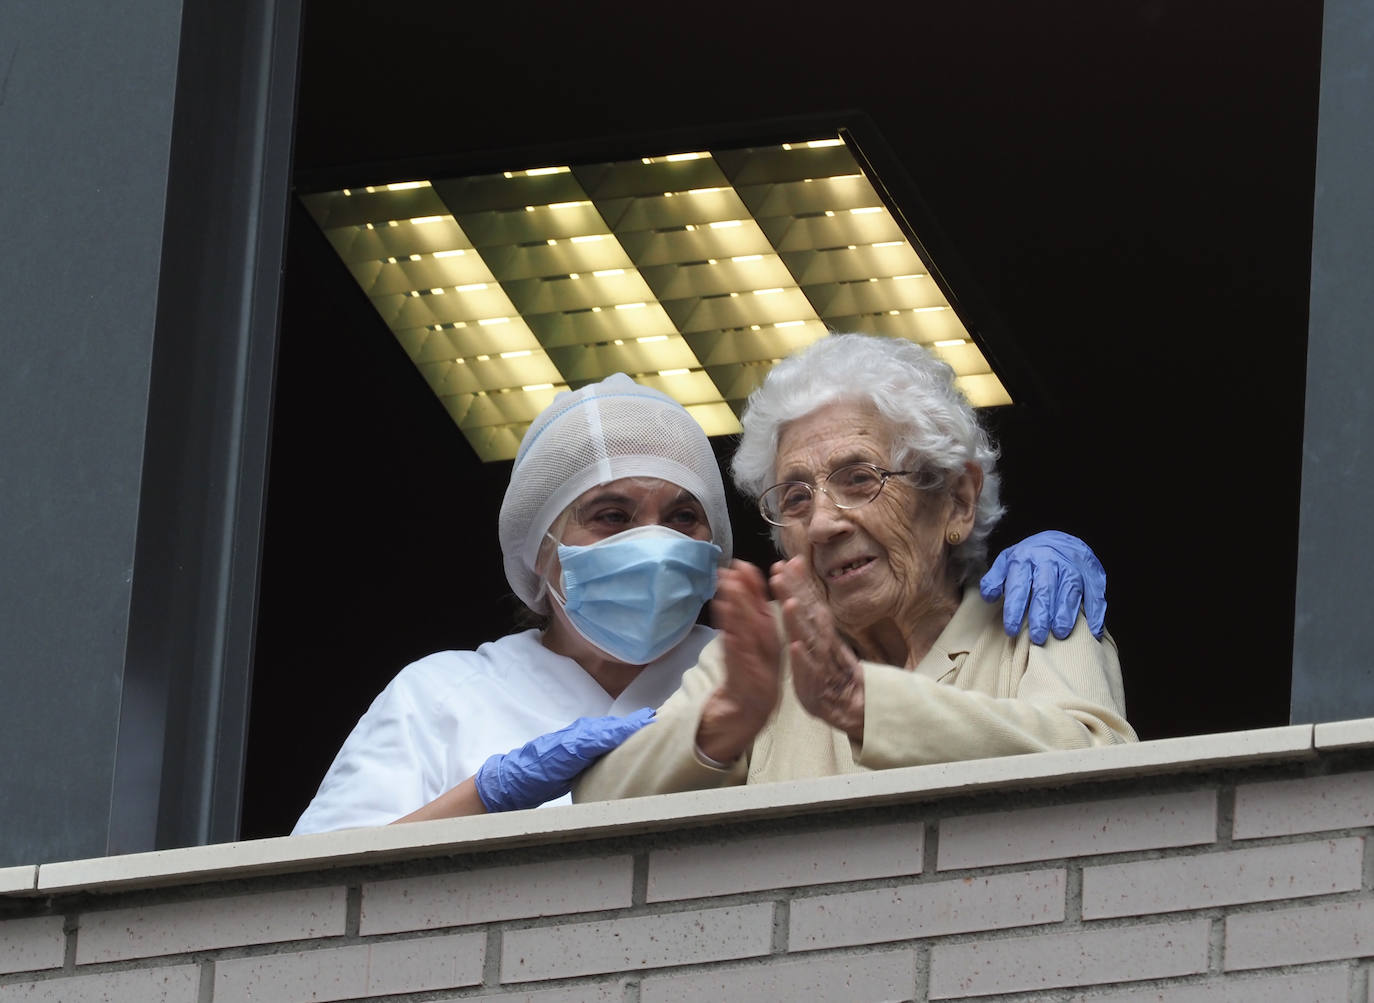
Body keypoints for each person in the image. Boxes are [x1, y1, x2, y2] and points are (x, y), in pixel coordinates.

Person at [293, 371, 1110, 833]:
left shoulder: (756, 655)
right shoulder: (440, 696)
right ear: (542, 551)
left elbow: (1102, 774)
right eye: (611, 515)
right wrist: (487, 792)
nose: (653, 542)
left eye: (684, 516)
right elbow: (300, 905)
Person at [574, 335, 1136, 803]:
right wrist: (728, 717)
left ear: (957, 501)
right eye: (796, 497)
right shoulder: (766, 653)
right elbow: (599, 801)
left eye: (860, 479)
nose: (822, 524)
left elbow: (1102, 765)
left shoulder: (1033, 619)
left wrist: (864, 703)